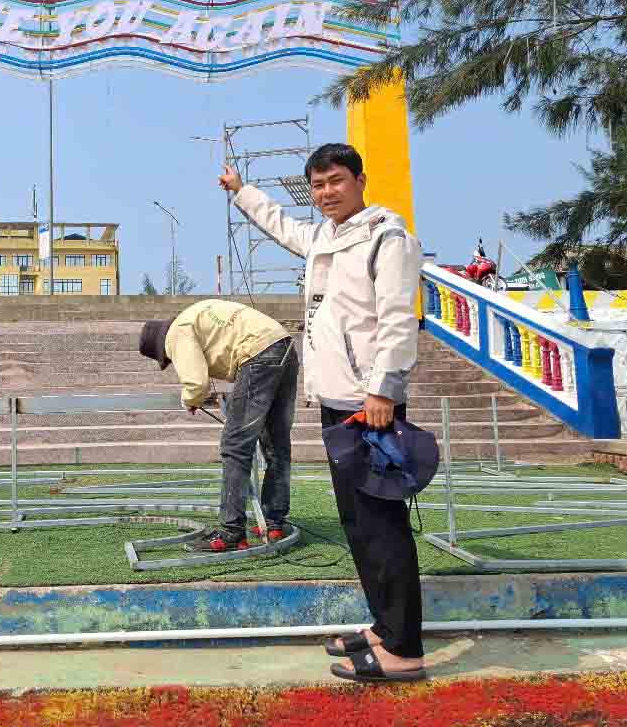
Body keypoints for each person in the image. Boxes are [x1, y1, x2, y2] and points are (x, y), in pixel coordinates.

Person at [221, 142, 426, 683]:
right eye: (317, 185)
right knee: (357, 524)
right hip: (336, 403)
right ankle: (385, 627)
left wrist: (384, 390)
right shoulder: (326, 238)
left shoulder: (388, 236)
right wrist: (243, 193)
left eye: (335, 180)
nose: (326, 193)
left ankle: (404, 650)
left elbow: (399, 320)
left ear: (360, 179)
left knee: (383, 526)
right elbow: (284, 227)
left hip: (371, 405)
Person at [138, 299, 299, 551]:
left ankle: (232, 532)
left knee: (235, 446)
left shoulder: (177, 333)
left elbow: (196, 383)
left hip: (258, 353)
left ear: (162, 347)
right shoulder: (193, 316)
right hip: (284, 346)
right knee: (276, 444)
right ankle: (274, 521)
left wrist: (190, 399)